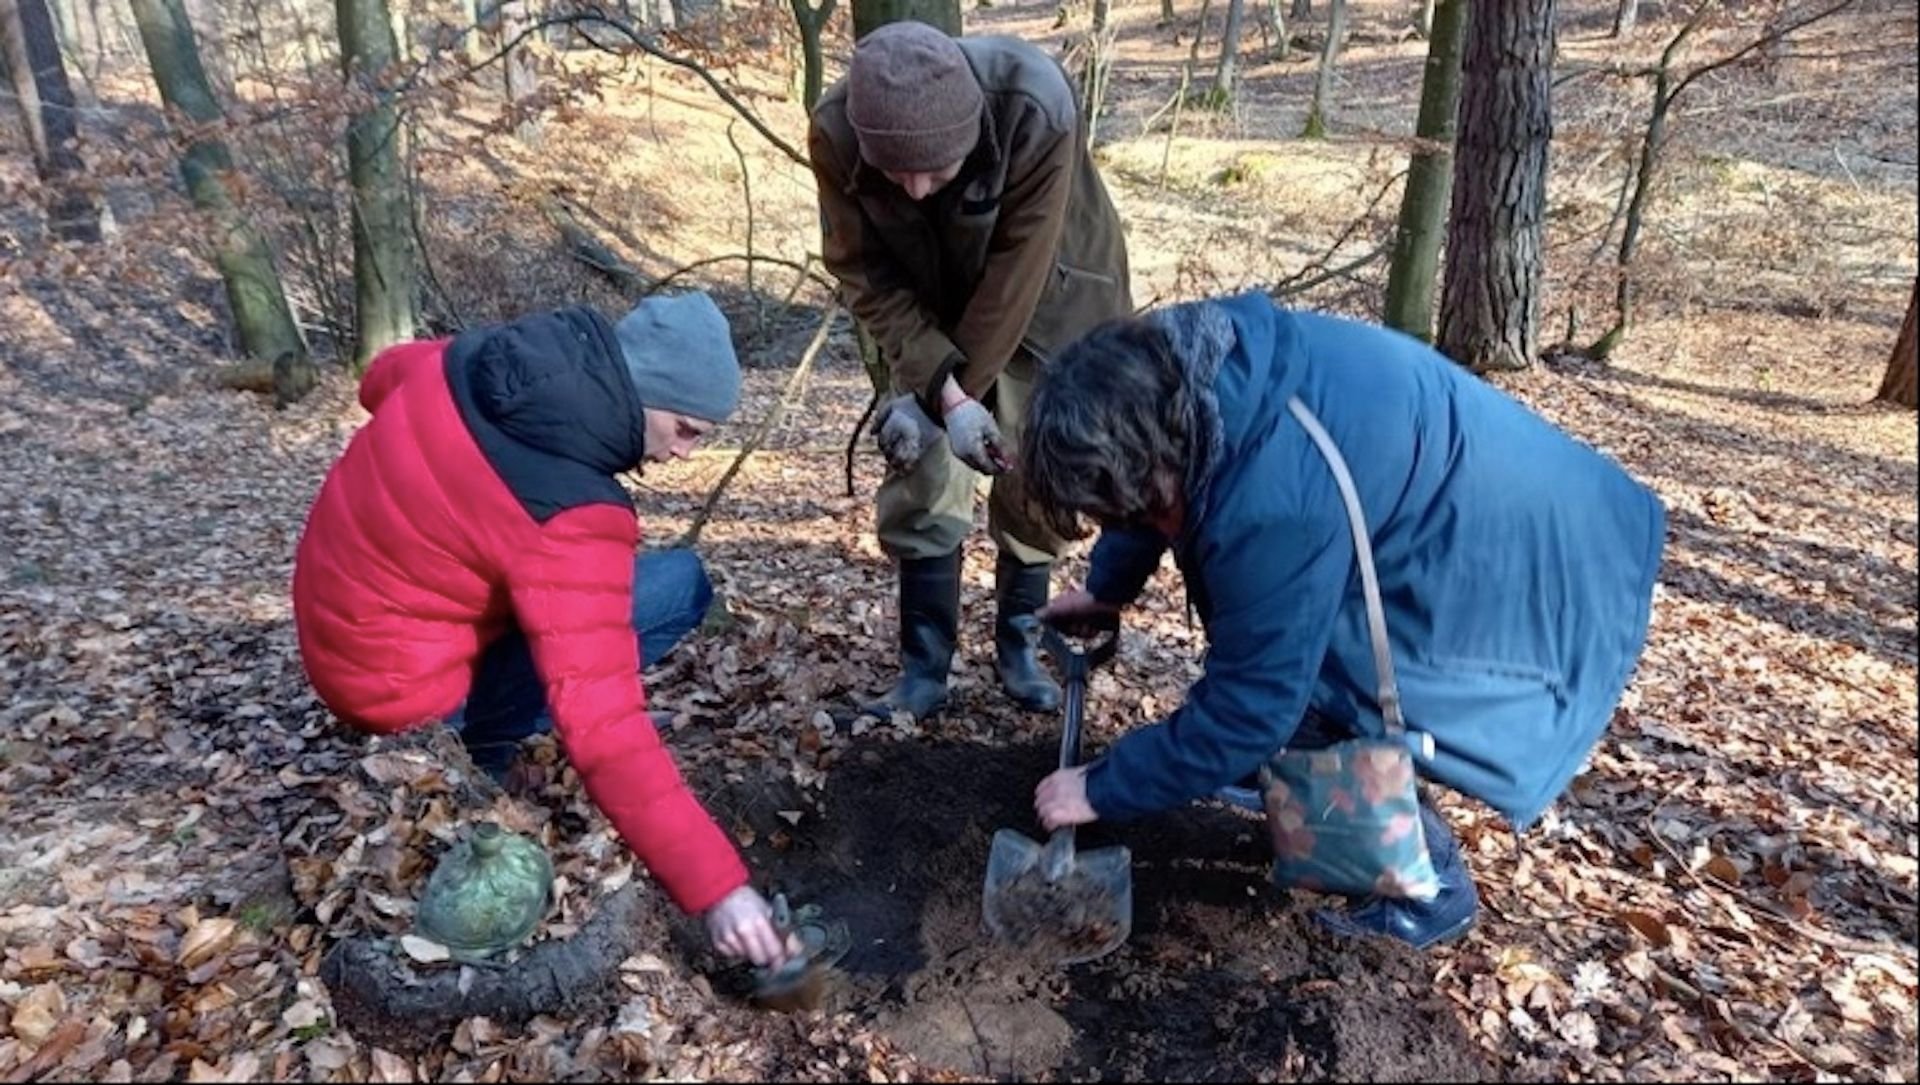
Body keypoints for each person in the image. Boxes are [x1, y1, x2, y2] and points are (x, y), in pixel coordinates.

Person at [1019, 295, 1666, 948]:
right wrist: (1107, 586)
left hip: (1517, 558)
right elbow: (1151, 492)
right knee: (1288, 682)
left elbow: (1253, 704)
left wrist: (1104, 786)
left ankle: (1423, 892)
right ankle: (1294, 782)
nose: (1131, 519)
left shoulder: (1272, 503)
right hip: (1443, 494)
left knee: (1329, 689)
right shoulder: (1181, 369)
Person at [292, 294, 795, 970]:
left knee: (678, 577)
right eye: (684, 428)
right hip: (400, 694)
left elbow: (379, 376)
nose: (682, 453)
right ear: (638, 387)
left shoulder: (475, 358)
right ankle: (481, 755)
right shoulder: (571, 509)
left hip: (337, 628)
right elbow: (605, 721)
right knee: (670, 595)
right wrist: (720, 890)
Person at [808, 20, 1133, 720]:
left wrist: (953, 401)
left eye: (937, 168)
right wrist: (938, 395)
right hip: (927, 300)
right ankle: (923, 667)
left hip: (1056, 291)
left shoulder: (1035, 107)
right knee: (921, 463)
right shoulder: (837, 132)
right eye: (898, 174)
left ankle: (1018, 646)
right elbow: (861, 271)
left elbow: (1018, 275)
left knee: (1035, 464)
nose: (918, 190)